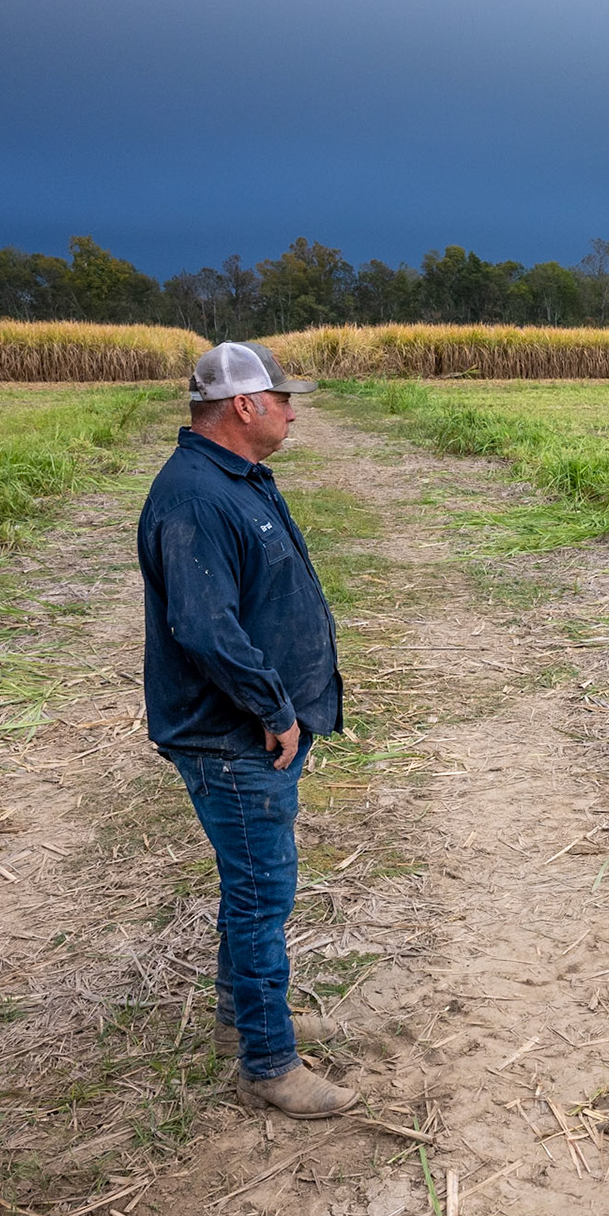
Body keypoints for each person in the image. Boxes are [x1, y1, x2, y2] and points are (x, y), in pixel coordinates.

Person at [137, 341, 359, 1118]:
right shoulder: (198, 497)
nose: (294, 410)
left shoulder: (231, 479)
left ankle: (245, 1015)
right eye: (284, 398)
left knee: (253, 888)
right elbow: (204, 628)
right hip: (231, 739)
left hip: (250, 733)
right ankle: (268, 1062)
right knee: (263, 892)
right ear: (244, 405)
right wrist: (273, 709)